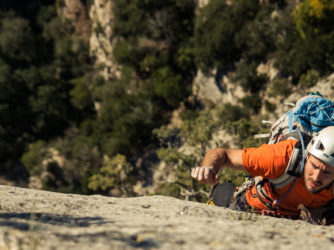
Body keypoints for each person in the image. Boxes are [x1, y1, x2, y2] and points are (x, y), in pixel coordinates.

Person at [191, 126, 334, 222]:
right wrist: (209, 167)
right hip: (249, 205)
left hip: (297, 219)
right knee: (221, 192)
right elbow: (223, 154)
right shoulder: (282, 157)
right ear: (307, 156)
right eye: (314, 166)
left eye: (327, 172)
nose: (316, 177)